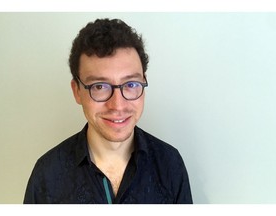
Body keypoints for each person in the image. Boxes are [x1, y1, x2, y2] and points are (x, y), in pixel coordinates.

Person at [23, 18, 193, 204]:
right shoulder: (47, 175)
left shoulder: (170, 164)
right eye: (99, 86)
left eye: (130, 84)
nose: (118, 106)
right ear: (77, 91)